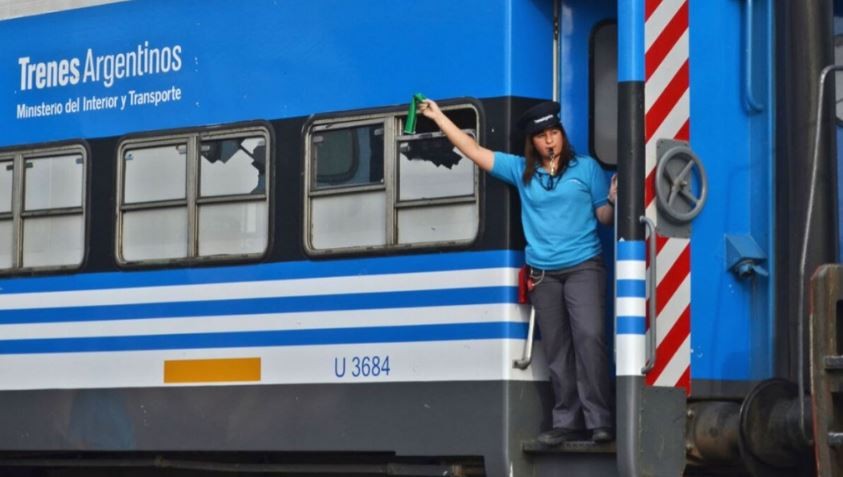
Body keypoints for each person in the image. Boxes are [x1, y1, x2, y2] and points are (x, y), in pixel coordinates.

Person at [419, 99, 617, 445]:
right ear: (532, 142)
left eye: (554, 133)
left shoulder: (587, 169)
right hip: (543, 274)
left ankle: (599, 419)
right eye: (542, 136)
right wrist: (439, 118)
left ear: (562, 135)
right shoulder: (520, 171)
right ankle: (567, 420)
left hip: (584, 266)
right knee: (556, 348)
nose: (550, 140)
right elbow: (473, 149)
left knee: (590, 338)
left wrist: (614, 200)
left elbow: (604, 218)